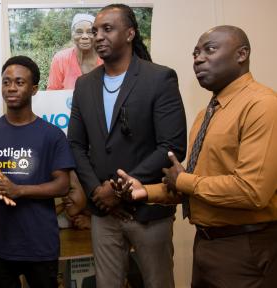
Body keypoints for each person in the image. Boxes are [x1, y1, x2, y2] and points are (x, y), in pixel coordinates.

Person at [117, 25, 277, 287]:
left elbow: (252, 190)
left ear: (242, 54)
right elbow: (198, 185)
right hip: (206, 244)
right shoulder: (207, 113)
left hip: (246, 248)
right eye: (195, 54)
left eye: (209, 50)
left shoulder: (262, 105)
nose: (198, 58)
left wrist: (183, 181)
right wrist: (144, 191)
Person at [67, 4, 187, 288]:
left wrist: (118, 190)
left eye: (107, 29)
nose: (98, 36)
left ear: (130, 33)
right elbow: (75, 144)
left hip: (148, 211)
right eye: (96, 31)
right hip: (103, 212)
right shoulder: (84, 85)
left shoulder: (159, 78)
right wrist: (97, 191)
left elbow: (171, 146)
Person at [0, 55, 75, 288]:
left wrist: (19, 190)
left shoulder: (52, 135)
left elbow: (63, 185)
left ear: (34, 89)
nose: (11, 88)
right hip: (1, 246)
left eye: (19, 82)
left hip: (41, 245)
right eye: (6, 82)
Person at [47, 13, 103, 90]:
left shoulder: (106, 59)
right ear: (72, 34)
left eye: (90, 32)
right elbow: (52, 93)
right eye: (79, 32)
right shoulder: (60, 59)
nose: (85, 36)